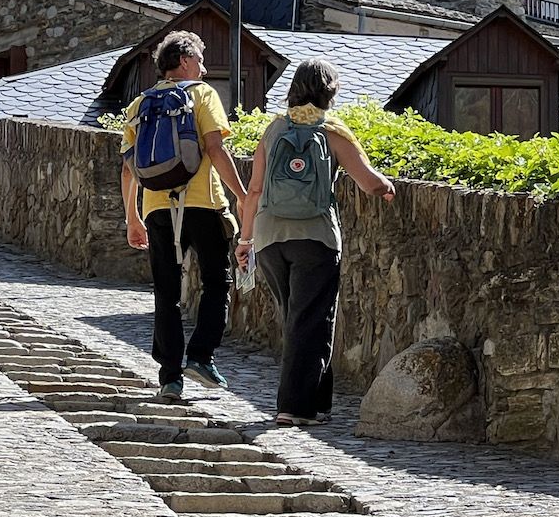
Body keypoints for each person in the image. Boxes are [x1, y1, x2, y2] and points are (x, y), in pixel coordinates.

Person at [235, 58, 395, 426]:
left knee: (297, 319)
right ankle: (295, 408)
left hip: (271, 237)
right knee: (311, 320)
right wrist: (387, 187)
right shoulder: (332, 129)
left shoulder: (273, 129)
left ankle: (318, 401)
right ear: (330, 92)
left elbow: (255, 189)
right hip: (316, 237)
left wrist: (246, 239)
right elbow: (369, 182)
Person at [120, 31, 247, 401]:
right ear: (187, 61)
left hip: (157, 209)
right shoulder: (202, 95)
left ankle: (170, 378)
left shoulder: (140, 103)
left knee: (166, 293)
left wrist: (132, 218)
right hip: (203, 203)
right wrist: (241, 195)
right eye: (202, 59)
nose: (205, 67)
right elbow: (215, 150)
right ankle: (201, 356)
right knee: (216, 281)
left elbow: (129, 169)